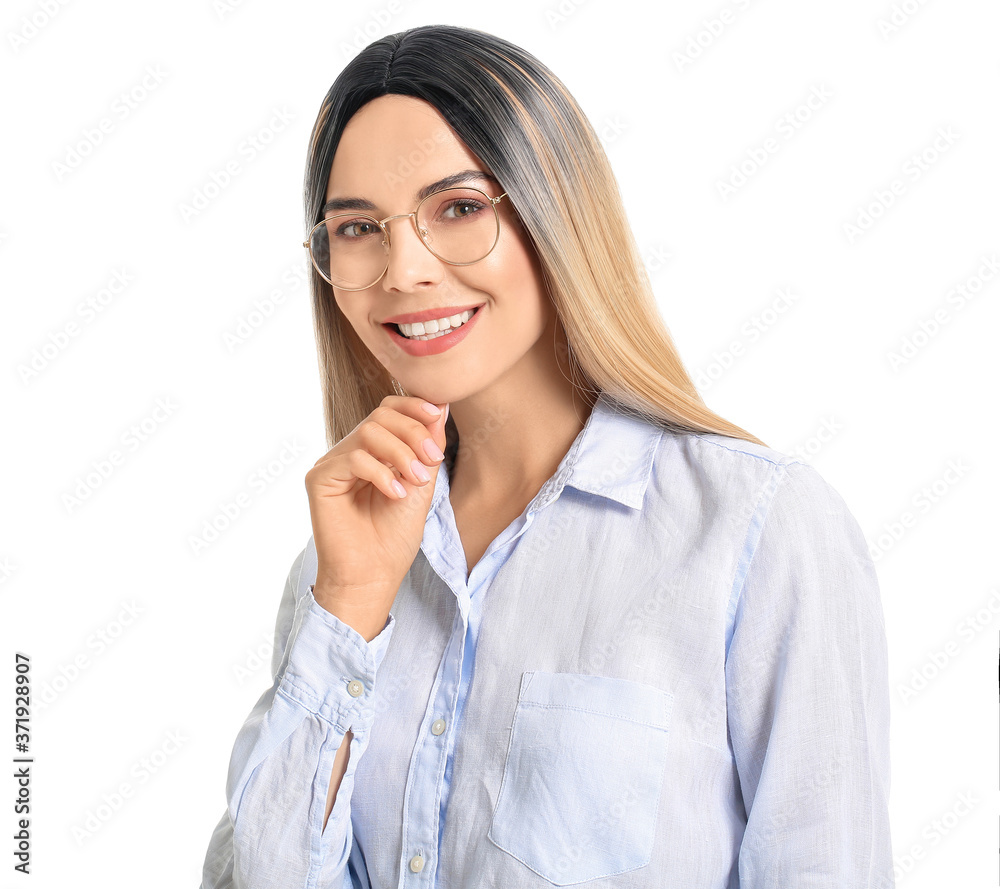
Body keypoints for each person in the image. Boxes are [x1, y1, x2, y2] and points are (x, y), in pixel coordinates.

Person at [199, 24, 893, 888]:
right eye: (357, 227)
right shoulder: (338, 568)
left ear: (555, 212)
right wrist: (347, 609)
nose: (403, 269)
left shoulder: (761, 534)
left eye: (458, 208)